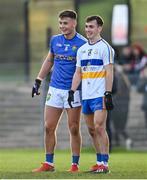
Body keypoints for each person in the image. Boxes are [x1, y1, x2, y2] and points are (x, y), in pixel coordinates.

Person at [31, 10, 87, 172]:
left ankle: (75, 165)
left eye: (66, 23)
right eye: (60, 23)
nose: (62, 26)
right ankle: (49, 163)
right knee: (48, 127)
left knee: (74, 128)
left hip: (73, 91)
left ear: (74, 23)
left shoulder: (83, 43)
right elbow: (49, 60)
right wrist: (38, 80)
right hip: (54, 89)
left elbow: (83, 69)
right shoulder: (55, 40)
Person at [68, 15, 114, 173]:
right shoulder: (81, 50)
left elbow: (109, 72)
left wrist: (108, 93)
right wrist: (72, 91)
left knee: (99, 126)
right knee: (91, 130)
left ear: (99, 28)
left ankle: (105, 164)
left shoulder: (105, 48)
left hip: (100, 94)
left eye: (91, 27)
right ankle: (99, 161)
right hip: (86, 95)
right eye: (86, 27)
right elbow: (78, 73)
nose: (88, 30)